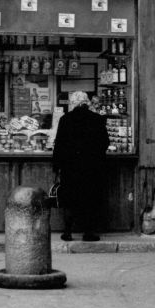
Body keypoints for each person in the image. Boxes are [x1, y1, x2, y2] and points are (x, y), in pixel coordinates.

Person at [51, 91, 108, 242]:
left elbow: (59, 144)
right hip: (91, 167)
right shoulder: (97, 119)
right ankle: (88, 232)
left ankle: (68, 232)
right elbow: (105, 143)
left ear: (73, 103)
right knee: (90, 198)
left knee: (70, 199)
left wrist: (56, 166)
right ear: (86, 103)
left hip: (71, 167)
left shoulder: (65, 119)